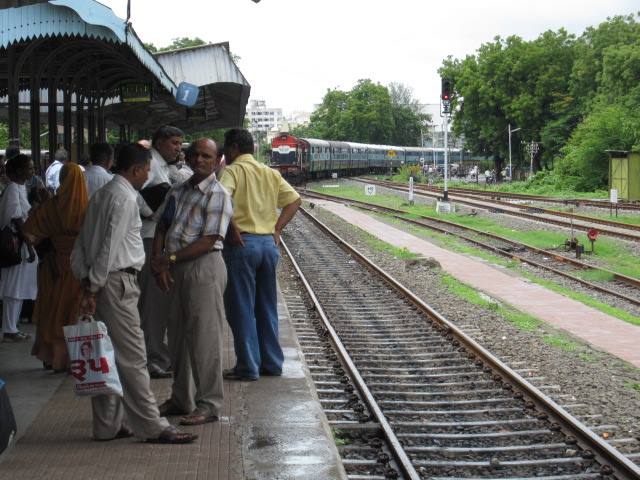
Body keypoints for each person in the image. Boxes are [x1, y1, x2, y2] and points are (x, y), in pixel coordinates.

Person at [70, 143, 197, 444]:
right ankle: (152, 425)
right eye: (147, 171)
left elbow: (81, 244)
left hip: (100, 281)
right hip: (115, 282)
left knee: (105, 355)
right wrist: (95, 284)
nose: (148, 176)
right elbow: (109, 246)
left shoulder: (102, 195)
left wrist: (85, 279)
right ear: (137, 169)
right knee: (133, 358)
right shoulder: (125, 198)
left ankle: (107, 424)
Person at [151, 139, 232, 424]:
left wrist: (168, 260)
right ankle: (181, 398)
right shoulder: (178, 189)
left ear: (217, 160)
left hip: (203, 267)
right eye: (195, 154)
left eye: (206, 156)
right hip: (174, 267)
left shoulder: (217, 193)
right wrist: (158, 260)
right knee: (177, 336)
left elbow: (210, 240)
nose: (199, 160)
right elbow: (162, 225)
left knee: (204, 338)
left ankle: (208, 403)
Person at [220, 129, 301, 381]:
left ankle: (248, 367)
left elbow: (220, 198)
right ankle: (272, 363)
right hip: (268, 245)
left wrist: (231, 228)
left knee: (241, 307)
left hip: (242, 245)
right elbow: (294, 200)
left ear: (233, 148)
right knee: (266, 306)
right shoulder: (270, 172)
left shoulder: (232, 171)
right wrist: (277, 229)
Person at [25, 163, 88, 370]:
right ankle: (73, 359)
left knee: (51, 311)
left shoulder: (50, 206)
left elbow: (30, 234)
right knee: (73, 312)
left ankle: (51, 356)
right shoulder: (88, 207)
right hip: (78, 268)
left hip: (53, 267)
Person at [138, 126, 187, 379]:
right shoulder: (151, 166)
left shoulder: (160, 166)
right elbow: (134, 195)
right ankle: (152, 358)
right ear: (158, 142)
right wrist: (150, 213)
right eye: (174, 143)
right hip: (148, 239)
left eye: (180, 143)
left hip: (154, 238)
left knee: (156, 303)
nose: (178, 148)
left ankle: (156, 354)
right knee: (154, 304)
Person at [0, 155, 37, 342]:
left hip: (22, 242)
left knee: (19, 288)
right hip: (18, 244)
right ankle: (9, 329)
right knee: (13, 288)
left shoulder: (20, 188)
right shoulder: (13, 189)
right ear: (18, 171)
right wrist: (29, 247)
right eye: (29, 168)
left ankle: (12, 327)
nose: (32, 171)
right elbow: (16, 218)